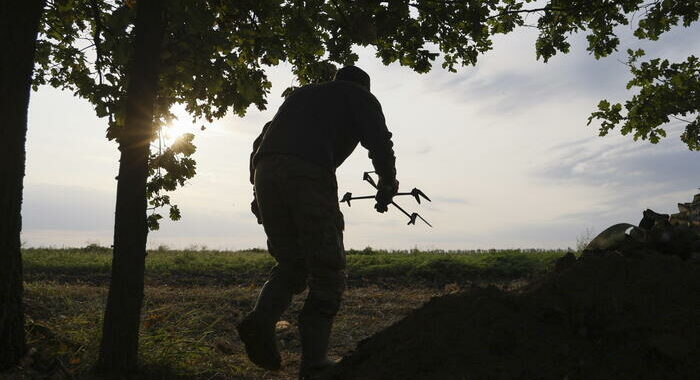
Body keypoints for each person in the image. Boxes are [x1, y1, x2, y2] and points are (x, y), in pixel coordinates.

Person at [237, 65, 398, 379]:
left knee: (292, 264)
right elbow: (379, 141)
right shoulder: (359, 96)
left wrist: (259, 194)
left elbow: (260, 142)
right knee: (328, 271)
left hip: (265, 173)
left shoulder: (300, 96)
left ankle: (261, 320)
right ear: (363, 87)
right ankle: (314, 365)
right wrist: (388, 182)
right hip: (308, 173)